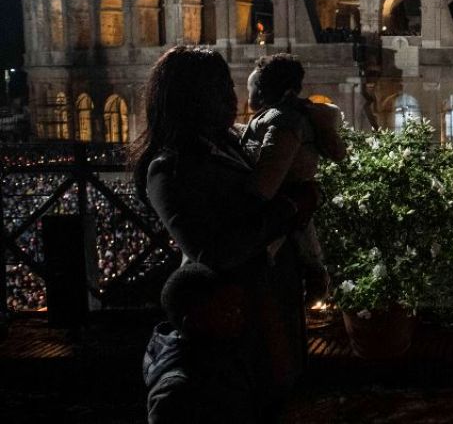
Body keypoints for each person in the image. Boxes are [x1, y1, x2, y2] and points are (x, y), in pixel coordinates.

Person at [132, 46, 317, 419]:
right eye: (220, 89)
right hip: (229, 313)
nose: (233, 98)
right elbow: (212, 250)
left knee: (280, 393)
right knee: (249, 400)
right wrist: (289, 209)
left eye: (229, 87)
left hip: (270, 294)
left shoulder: (235, 142)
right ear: (191, 98)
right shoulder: (168, 169)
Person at [241, 53, 347, 307]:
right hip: (292, 206)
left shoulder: (283, 122)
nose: (248, 94)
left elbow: (268, 178)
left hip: (281, 212)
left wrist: (245, 198)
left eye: (252, 87)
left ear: (265, 90)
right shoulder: (287, 117)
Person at [144, 262, 254, 423]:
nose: (238, 317)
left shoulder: (222, 356)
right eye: (226, 312)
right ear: (194, 323)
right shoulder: (175, 391)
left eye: (237, 309)